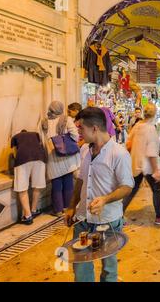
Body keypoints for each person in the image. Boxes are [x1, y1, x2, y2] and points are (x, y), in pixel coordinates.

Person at [65, 107, 134, 282]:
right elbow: (80, 180)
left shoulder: (119, 154)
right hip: (83, 220)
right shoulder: (85, 150)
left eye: (81, 128)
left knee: (109, 269)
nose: (79, 132)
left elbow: (127, 186)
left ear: (94, 128)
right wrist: (72, 206)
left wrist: (105, 199)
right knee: (80, 266)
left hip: (107, 221)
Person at [123, 103, 160, 225]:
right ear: (154, 114)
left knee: (133, 189)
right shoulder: (151, 129)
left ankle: (118, 214)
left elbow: (128, 144)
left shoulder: (137, 126)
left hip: (136, 163)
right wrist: (156, 170)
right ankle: (159, 217)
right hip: (147, 166)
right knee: (156, 189)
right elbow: (151, 153)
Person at [40, 101, 80, 217]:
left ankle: (57, 210)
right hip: (66, 156)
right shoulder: (66, 120)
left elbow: (42, 140)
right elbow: (75, 136)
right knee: (68, 182)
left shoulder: (44, 122)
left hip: (52, 156)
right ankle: (67, 207)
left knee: (56, 184)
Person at [11, 130, 47, 224]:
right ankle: (34, 210)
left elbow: (15, 154)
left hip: (23, 158)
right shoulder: (35, 134)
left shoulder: (15, 136)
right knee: (37, 185)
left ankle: (27, 216)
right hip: (40, 157)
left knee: (22, 188)